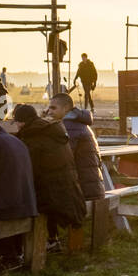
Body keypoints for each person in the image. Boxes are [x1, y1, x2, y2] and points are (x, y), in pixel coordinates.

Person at [10, 103, 86, 240]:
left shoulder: (33, 138)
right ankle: (52, 239)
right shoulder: (50, 130)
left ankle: (27, 246)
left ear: (22, 122)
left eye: (16, 122)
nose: (16, 126)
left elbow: (28, 171)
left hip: (55, 195)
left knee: (19, 203)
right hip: (70, 191)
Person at [47, 92, 106, 200]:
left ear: (65, 108)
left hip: (84, 191)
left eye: (53, 108)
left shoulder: (70, 127)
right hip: (93, 187)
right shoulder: (79, 123)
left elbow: (64, 158)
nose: (49, 112)